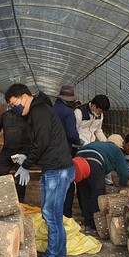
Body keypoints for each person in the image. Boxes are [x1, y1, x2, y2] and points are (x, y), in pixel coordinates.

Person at [5, 84, 74, 257]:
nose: (14, 108)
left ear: (25, 97)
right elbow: (39, 141)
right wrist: (26, 156)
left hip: (57, 170)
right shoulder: (36, 113)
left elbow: (42, 140)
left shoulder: (39, 111)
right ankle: (60, 255)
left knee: (50, 216)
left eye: (14, 104)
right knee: (54, 216)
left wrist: (27, 164)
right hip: (55, 169)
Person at [75, 138, 129, 236]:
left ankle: (88, 224)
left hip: (78, 159)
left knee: (84, 195)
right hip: (94, 161)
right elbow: (124, 173)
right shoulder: (117, 151)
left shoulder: (102, 146)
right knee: (98, 195)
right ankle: (95, 226)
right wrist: (123, 185)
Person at [0, 107, 30, 202]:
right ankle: (1, 198)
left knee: (21, 177)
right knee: (0, 172)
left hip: (22, 151)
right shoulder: (5, 115)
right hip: (7, 150)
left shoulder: (27, 114)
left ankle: (20, 201)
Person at [52, 85, 82, 218]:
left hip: (51, 152)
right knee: (68, 185)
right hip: (64, 151)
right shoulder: (68, 112)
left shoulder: (52, 110)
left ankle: (53, 212)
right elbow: (71, 134)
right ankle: (66, 214)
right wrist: (79, 140)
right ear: (68, 100)